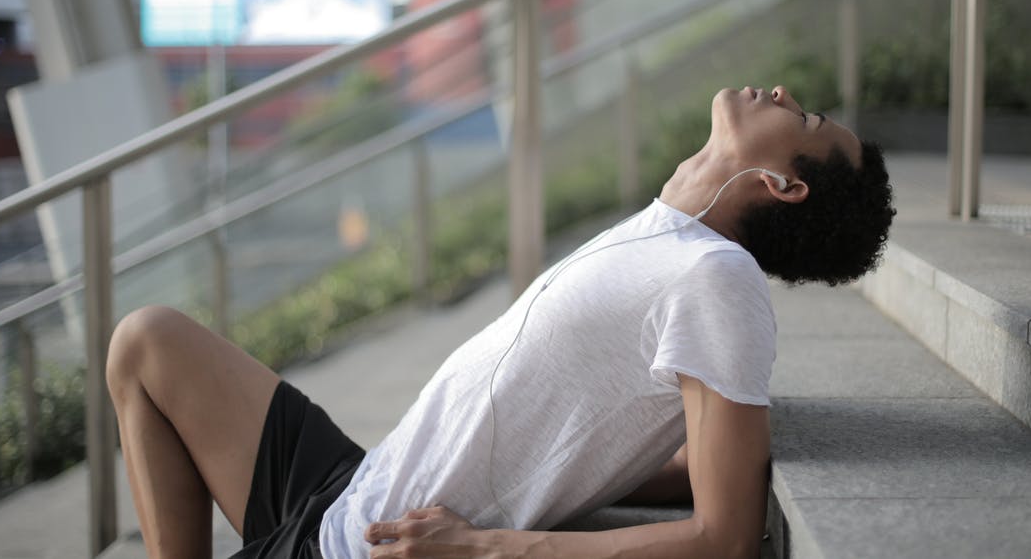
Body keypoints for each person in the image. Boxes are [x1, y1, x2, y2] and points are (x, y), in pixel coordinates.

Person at [107, 85, 894, 559]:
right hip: (359, 481)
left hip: (367, 543)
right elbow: (651, 443)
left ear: (785, 186)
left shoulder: (716, 278)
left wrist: (485, 546)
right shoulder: (670, 234)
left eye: (808, 116)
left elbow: (724, 536)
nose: (786, 94)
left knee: (145, 345)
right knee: (146, 342)